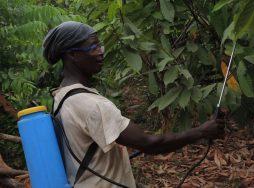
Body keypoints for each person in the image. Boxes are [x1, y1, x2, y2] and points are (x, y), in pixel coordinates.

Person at [43, 21, 224, 188]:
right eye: (93, 47)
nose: (100, 52)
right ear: (73, 55)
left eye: (100, 45)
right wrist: (202, 131)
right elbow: (150, 143)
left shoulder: (63, 97)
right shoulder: (92, 105)